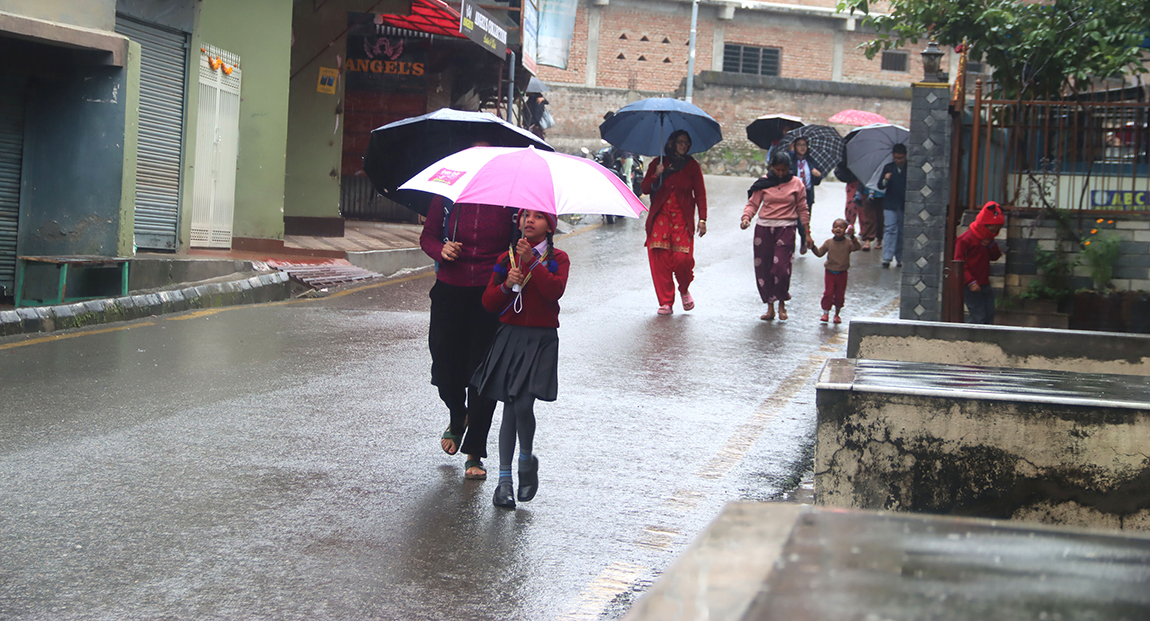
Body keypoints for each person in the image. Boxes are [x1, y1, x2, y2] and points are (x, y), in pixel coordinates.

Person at [471, 209, 570, 509]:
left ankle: (525, 461)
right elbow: (488, 303)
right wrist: (504, 284)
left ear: (550, 226)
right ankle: (504, 483)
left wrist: (532, 263)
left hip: (541, 339)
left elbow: (554, 291)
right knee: (509, 407)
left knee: (524, 404)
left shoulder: (559, 259)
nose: (529, 221)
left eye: (538, 217)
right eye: (525, 215)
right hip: (510, 337)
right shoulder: (506, 259)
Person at [420, 189, 515, 481]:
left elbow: (523, 243)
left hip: (490, 293)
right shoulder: (447, 198)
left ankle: (475, 451)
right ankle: (457, 413)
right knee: (445, 369)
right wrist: (441, 250)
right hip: (450, 290)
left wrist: (511, 267)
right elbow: (428, 237)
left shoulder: (510, 200)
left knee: (483, 373)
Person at [641, 129, 708, 315]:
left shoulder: (691, 166)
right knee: (660, 259)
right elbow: (645, 188)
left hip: (681, 218)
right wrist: (656, 173)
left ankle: (684, 288)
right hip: (660, 217)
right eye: (680, 142)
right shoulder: (659, 162)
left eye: (686, 143)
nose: (683, 146)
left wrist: (702, 218)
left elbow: (700, 193)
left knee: (682, 259)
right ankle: (665, 301)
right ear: (671, 142)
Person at [742, 150, 811, 321]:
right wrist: (746, 218)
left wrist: (807, 233)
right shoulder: (764, 183)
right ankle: (770, 306)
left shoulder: (796, 184)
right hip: (764, 229)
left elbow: (803, 208)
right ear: (772, 167)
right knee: (764, 268)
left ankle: (782, 303)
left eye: (784, 170)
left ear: (789, 168)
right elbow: (753, 203)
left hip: (786, 229)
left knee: (781, 268)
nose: (780, 173)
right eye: (777, 170)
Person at [955, 201, 1005, 325]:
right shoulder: (965, 239)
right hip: (970, 285)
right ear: (984, 225)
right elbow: (959, 263)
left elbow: (995, 256)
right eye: (993, 230)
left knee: (989, 313)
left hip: (984, 283)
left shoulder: (988, 240)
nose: (994, 233)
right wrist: (970, 282)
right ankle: (972, 341)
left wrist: (991, 245)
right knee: (979, 316)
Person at [809, 219, 862, 324]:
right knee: (828, 292)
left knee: (839, 294)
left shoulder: (848, 243)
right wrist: (812, 247)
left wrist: (852, 237)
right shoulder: (829, 243)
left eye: (841, 227)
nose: (838, 229)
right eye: (836, 227)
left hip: (842, 273)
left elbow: (857, 247)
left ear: (846, 230)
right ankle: (825, 312)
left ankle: (837, 314)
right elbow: (819, 253)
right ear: (832, 230)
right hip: (830, 272)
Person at [788, 137, 822, 255]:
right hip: (792, 193)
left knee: (804, 219)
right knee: (791, 219)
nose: (802, 147)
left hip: (807, 193)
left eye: (804, 145)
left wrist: (817, 175)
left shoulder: (811, 161)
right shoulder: (790, 159)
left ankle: (803, 239)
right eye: (799, 145)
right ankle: (790, 244)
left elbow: (817, 182)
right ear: (795, 146)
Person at [878, 143, 908, 268]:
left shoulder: (910, 168)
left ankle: (900, 257)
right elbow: (880, 185)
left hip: (904, 204)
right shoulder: (888, 168)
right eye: (896, 158)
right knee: (890, 229)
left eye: (901, 158)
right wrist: (886, 179)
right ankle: (887, 257)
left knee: (902, 231)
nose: (898, 161)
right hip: (890, 203)